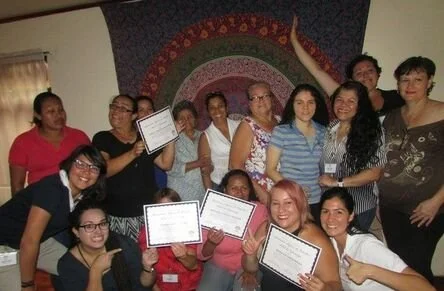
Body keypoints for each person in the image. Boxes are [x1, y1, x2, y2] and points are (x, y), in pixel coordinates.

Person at [0, 145, 107, 291]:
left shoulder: (83, 195)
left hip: (40, 242)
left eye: (94, 168)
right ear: (70, 164)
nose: (86, 172)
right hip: (6, 247)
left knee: (80, 268)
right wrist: (27, 284)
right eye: (80, 164)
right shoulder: (51, 189)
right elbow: (29, 240)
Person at [379, 56, 444, 283]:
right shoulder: (392, 117)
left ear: (429, 82)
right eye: (405, 80)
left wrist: (436, 201)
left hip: (426, 209)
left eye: (418, 79)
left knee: (417, 266)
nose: (410, 86)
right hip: (390, 208)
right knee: (400, 265)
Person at [92, 94, 177, 241]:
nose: (116, 111)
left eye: (123, 108)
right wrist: (132, 153)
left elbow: (166, 164)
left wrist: (171, 136)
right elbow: (103, 170)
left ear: (133, 116)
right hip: (120, 214)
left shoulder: (144, 137)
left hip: (149, 211)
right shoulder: (102, 138)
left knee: (152, 256)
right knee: (127, 259)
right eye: (114, 106)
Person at [318, 187, 434, 291]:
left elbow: (426, 288)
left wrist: (370, 271)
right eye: (325, 211)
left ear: (351, 216)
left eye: (338, 212)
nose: (330, 219)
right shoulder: (332, 242)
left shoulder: (367, 245)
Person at [290, 16, 404, 119]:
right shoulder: (343, 97)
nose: (365, 75)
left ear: (378, 74)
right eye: (359, 73)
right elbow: (316, 70)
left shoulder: (396, 97)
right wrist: (294, 40)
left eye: (370, 70)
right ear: (352, 80)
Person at [242, 180, 341, 291]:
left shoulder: (315, 239)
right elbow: (250, 269)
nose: (281, 210)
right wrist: (250, 255)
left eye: (288, 203)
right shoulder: (266, 228)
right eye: (275, 203)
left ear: (300, 204)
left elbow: (336, 285)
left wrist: (323, 289)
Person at [319, 81, 386, 231]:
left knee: (350, 251)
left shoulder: (372, 131)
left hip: (357, 208)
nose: (344, 105)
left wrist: (337, 182)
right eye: (340, 99)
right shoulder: (331, 128)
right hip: (329, 206)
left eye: (351, 101)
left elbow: (375, 172)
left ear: (360, 105)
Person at [58, 198, 156, 290]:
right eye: (89, 226)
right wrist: (96, 271)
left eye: (103, 224)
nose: (98, 231)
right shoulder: (67, 264)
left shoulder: (124, 244)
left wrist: (147, 267)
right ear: (76, 231)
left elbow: (143, 285)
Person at [197, 169, 268, 291]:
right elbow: (201, 255)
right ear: (225, 190)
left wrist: (251, 270)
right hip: (219, 265)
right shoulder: (212, 210)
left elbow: (264, 249)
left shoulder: (260, 210)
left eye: (244, 188)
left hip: (249, 266)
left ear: (250, 190)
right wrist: (211, 242)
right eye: (234, 188)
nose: (239, 192)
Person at [266, 84, 328, 223]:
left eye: (310, 102)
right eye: (299, 102)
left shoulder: (324, 131)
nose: (305, 108)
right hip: (290, 201)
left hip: (318, 200)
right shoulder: (281, 131)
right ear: (292, 105)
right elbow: (270, 170)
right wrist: (295, 191)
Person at [8, 91, 90, 195]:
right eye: (51, 111)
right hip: (41, 200)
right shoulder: (22, 142)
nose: (58, 115)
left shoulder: (79, 136)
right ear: (38, 115)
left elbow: (93, 169)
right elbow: (17, 186)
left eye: (61, 110)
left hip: (76, 197)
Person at [138, 188, 203, 291]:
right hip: (161, 286)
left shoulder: (188, 227)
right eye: (161, 209)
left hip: (189, 284)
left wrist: (183, 256)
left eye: (170, 208)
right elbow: (148, 274)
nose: (166, 214)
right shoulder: (147, 233)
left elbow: (193, 266)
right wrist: (155, 287)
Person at [230, 81, 280, 205]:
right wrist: (259, 192)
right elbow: (235, 165)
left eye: (265, 96)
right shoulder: (247, 125)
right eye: (255, 97)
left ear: (272, 99)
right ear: (249, 103)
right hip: (260, 194)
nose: (261, 100)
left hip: (281, 191)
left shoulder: (280, 122)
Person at [167, 100, 210, 203]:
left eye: (190, 116)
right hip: (180, 193)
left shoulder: (205, 136)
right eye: (182, 118)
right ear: (176, 121)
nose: (187, 120)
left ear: (195, 119)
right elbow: (169, 168)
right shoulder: (171, 139)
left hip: (202, 191)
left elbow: (211, 161)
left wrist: (210, 167)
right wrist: (197, 163)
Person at [198, 91, 240, 190]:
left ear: (226, 108)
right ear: (208, 112)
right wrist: (210, 194)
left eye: (220, 106)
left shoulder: (240, 125)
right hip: (220, 185)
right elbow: (205, 171)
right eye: (212, 108)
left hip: (242, 182)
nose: (217, 110)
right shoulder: (206, 136)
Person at [135, 95, 167, 189]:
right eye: (141, 110)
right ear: (134, 115)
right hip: (146, 189)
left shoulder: (165, 133)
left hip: (169, 186)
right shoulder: (133, 139)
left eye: (150, 109)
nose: (146, 113)